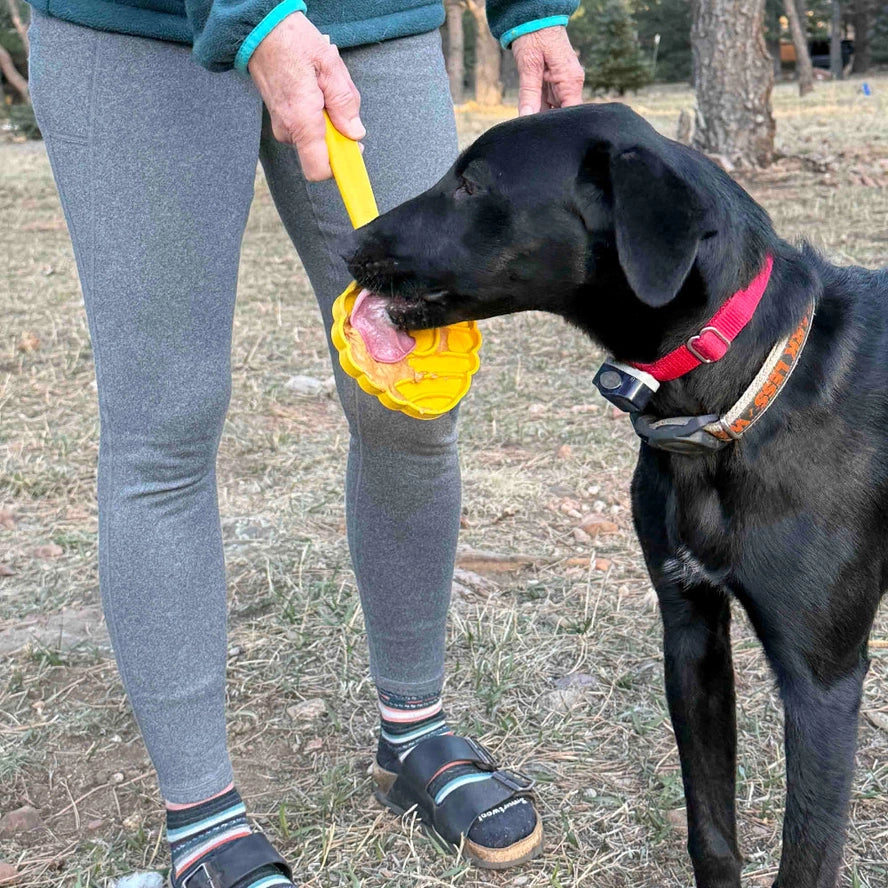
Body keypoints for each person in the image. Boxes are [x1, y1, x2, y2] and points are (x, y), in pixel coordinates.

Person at [25, 0, 584, 883]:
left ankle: (413, 733)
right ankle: (202, 820)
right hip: (136, 31)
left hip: (371, 23)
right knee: (164, 425)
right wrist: (251, 15)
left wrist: (527, 10)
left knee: (414, 395)